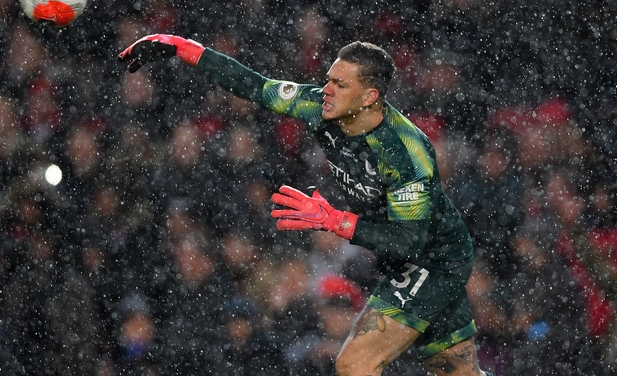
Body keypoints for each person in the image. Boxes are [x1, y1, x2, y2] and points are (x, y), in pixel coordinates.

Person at [118, 34, 495, 376]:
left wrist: (336, 220)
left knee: (355, 364)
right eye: (329, 78)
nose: (326, 89)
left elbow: (410, 241)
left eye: (340, 84)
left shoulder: (404, 153)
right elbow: (254, 85)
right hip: (406, 254)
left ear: (369, 97)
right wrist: (181, 48)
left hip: (433, 258)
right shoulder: (318, 107)